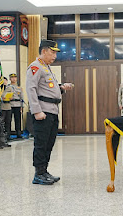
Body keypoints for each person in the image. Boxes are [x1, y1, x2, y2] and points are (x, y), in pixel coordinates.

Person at [26, 40, 73, 185]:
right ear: (44, 51)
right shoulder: (35, 67)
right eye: (52, 52)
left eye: (55, 53)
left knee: (49, 143)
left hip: (52, 111)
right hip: (43, 112)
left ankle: (44, 171)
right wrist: (37, 111)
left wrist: (61, 87)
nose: (54, 56)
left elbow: (47, 88)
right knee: (41, 144)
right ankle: (38, 174)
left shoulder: (46, 67)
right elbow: (31, 89)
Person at [8, 73, 24, 139]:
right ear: (10, 79)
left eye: (15, 77)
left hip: (17, 104)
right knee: (9, 120)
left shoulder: (19, 88)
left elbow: (22, 98)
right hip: (10, 105)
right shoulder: (7, 87)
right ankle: (8, 134)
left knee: (18, 120)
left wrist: (22, 106)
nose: (14, 79)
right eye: (12, 77)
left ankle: (18, 133)